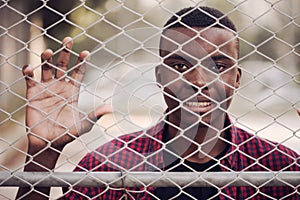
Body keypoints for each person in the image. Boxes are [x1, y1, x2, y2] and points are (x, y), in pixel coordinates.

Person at [17, 6, 299, 200]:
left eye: (217, 64)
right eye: (179, 64)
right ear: (160, 76)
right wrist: (42, 155)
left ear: (236, 78)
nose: (198, 80)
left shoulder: (281, 166)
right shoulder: (109, 165)